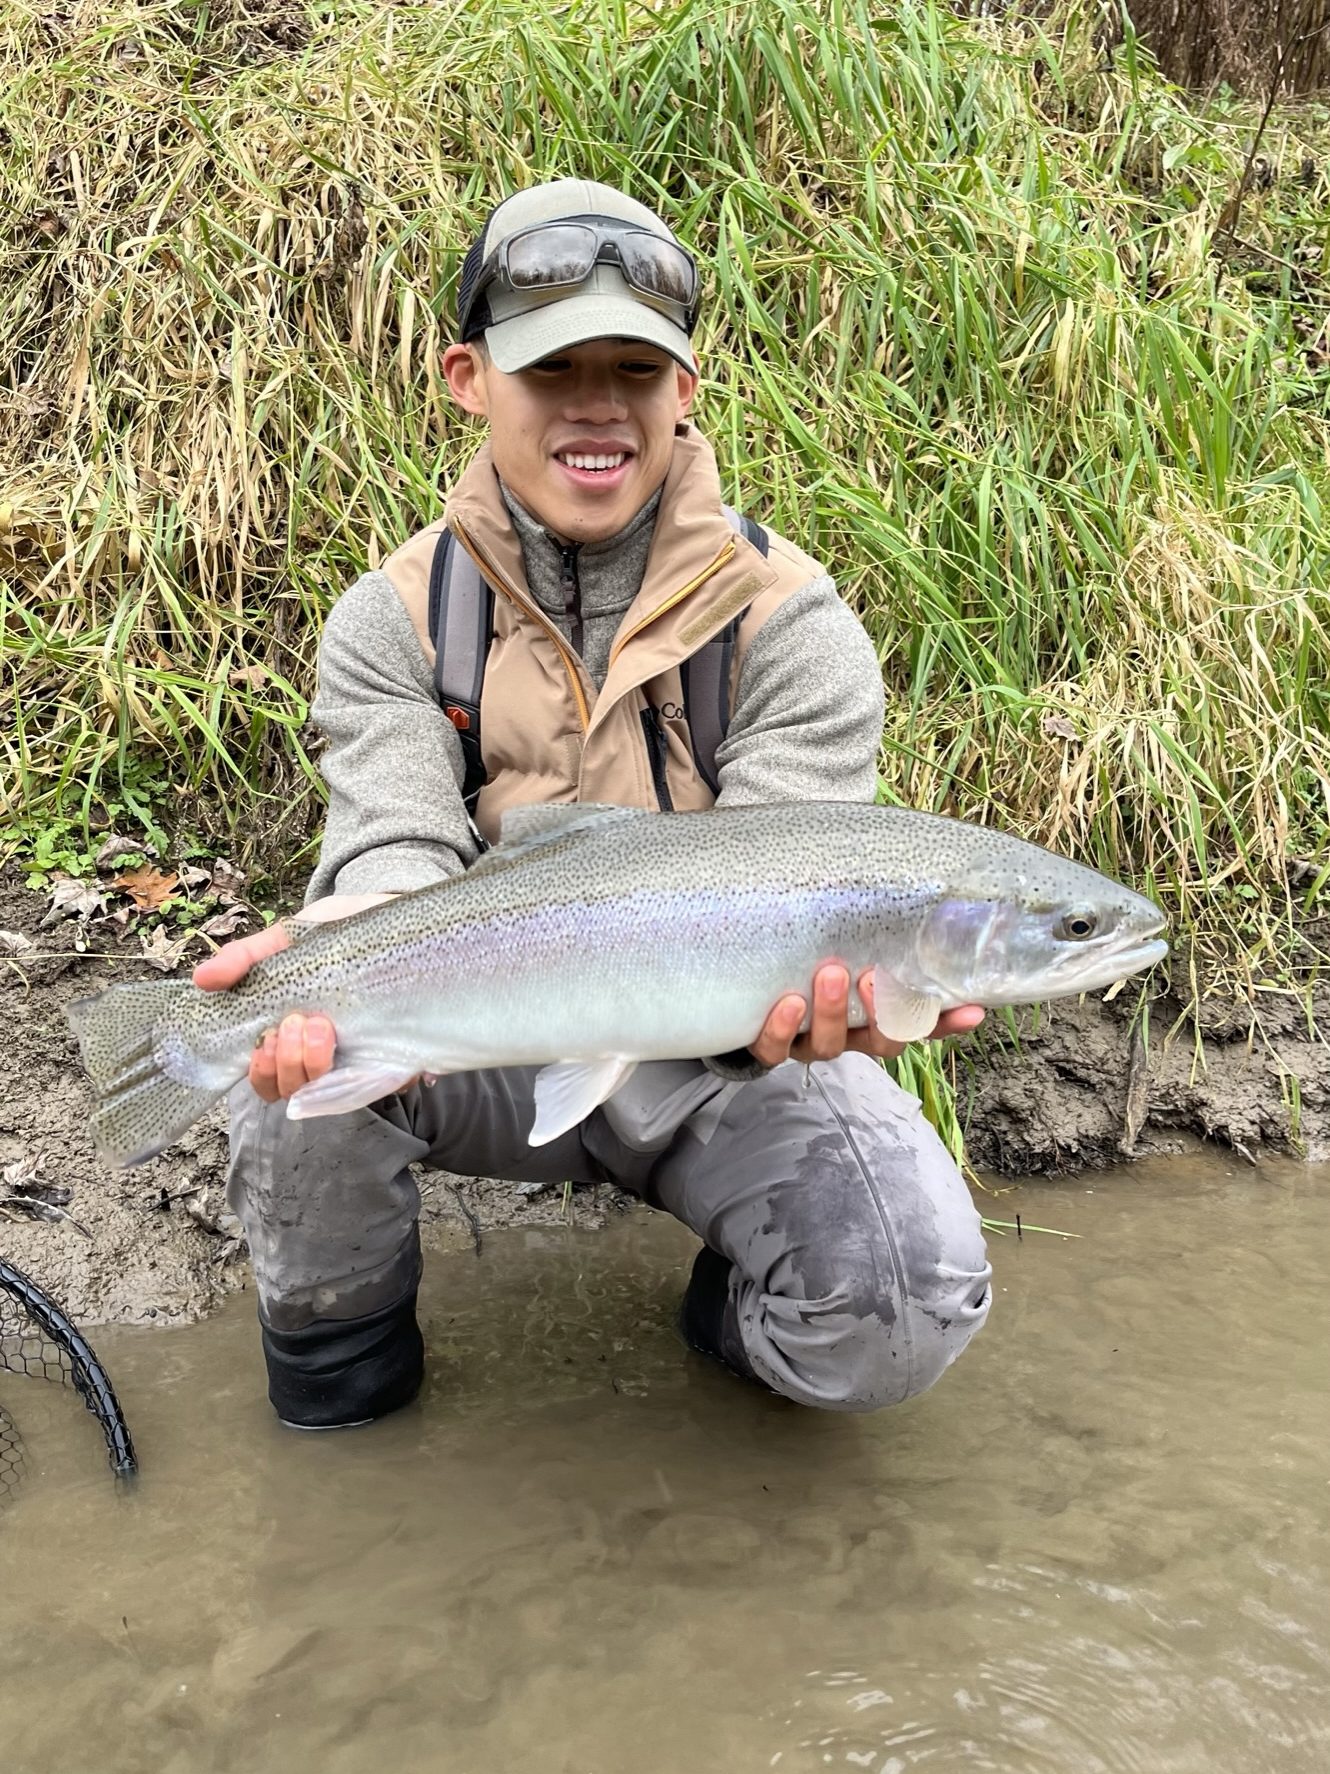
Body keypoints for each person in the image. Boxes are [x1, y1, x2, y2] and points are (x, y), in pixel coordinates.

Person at [196, 179, 993, 1430]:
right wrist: (334, 950)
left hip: (719, 1049)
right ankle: (346, 1394)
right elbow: (395, 847)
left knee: (905, 1296)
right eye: (553, 366)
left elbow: (790, 873)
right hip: (478, 1035)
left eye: (634, 369)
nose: (596, 406)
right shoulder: (391, 620)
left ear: (683, 391)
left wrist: (824, 1000)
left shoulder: (791, 619)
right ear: (467, 378)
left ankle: (728, 1319)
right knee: (284, 1088)